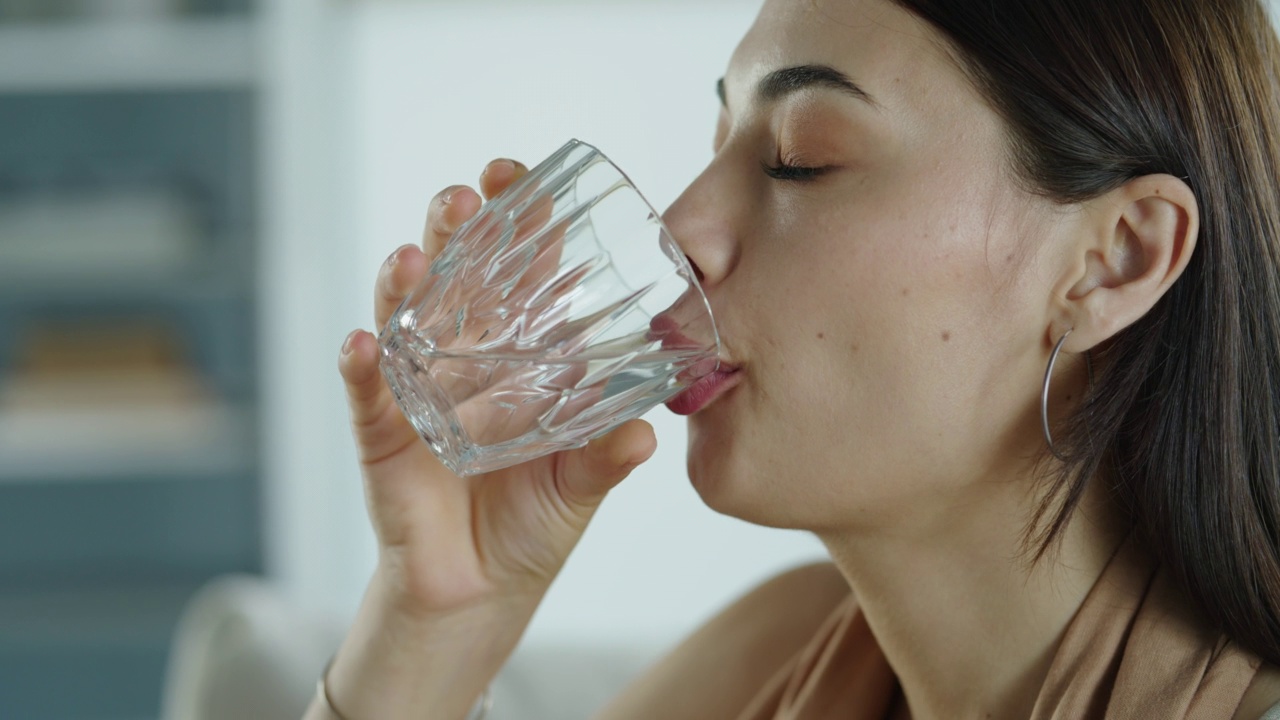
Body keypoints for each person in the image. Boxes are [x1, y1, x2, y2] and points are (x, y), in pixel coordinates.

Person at [306, 0, 1280, 717]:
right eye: (715, 139)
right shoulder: (761, 667)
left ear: (1115, 260)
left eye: (799, 157)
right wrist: (432, 627)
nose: (677, 228)